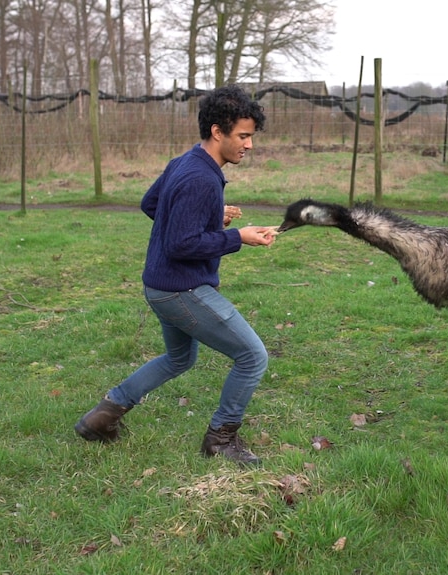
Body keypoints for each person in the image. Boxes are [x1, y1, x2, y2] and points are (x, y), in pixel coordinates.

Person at [75, 85, 277, 466]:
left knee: (179, 358)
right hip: (181, 289)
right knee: (252, 356)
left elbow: (151, 204)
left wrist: (209, 219)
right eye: (243, 136)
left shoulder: (184, 162)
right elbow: (181, 245)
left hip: (159, 285)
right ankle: (221, 438)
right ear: (218, 131)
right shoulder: (201, 179)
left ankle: (102, 417)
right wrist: (237, 237)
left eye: (251, 136)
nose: (249, 145)